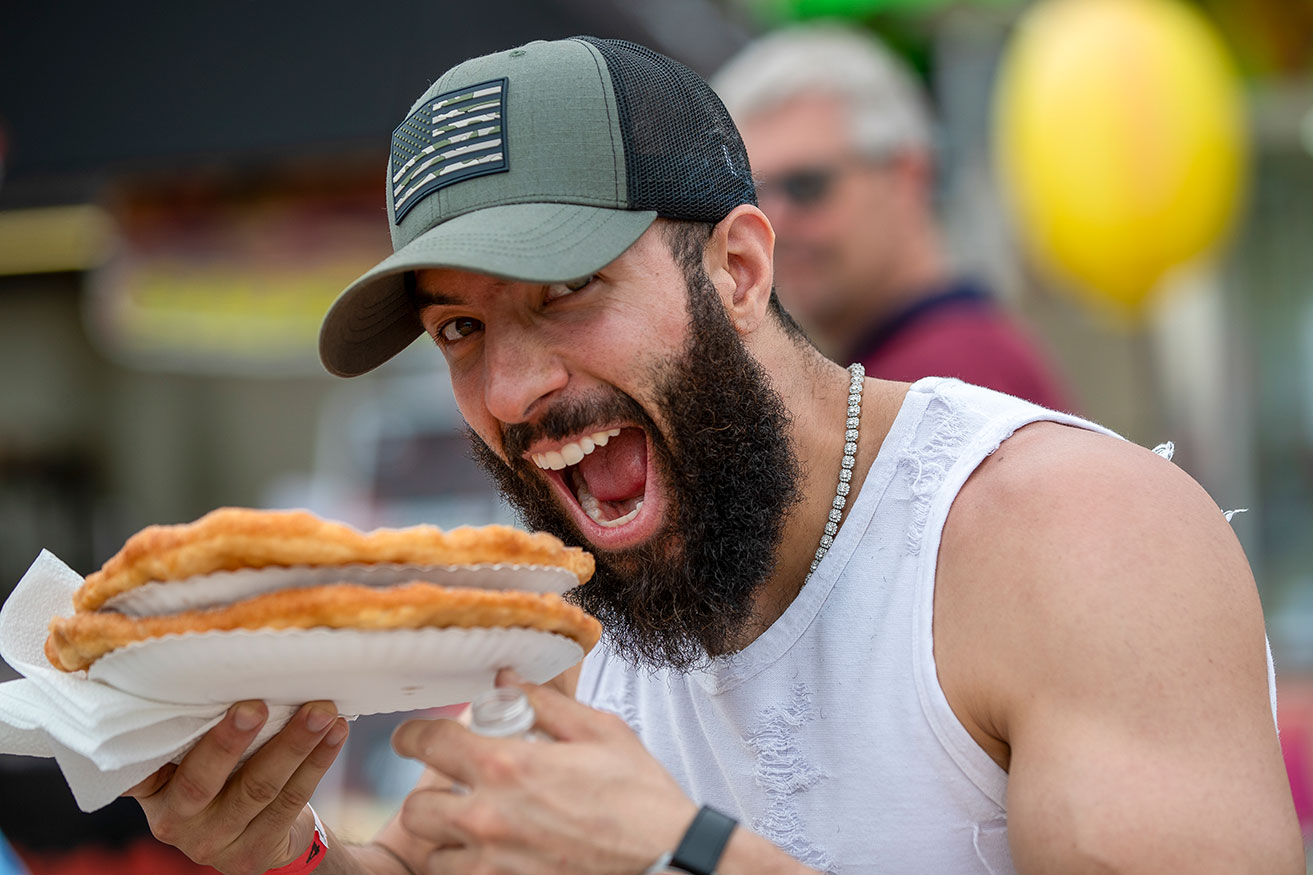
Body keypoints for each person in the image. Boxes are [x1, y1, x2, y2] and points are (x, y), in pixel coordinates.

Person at [123, 37, 1301, 874]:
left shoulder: (1071, 536)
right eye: (459, 330)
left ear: (738, 267)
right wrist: (283, 849)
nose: (513, 386)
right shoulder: (561, 624)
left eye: (568, 289)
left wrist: (684, 857)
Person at [711, 23, 1073, 411]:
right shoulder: (922, 364)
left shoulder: (941, 381)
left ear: (909, 176)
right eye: (751, 196)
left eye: (806, 186)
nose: (773, 224)